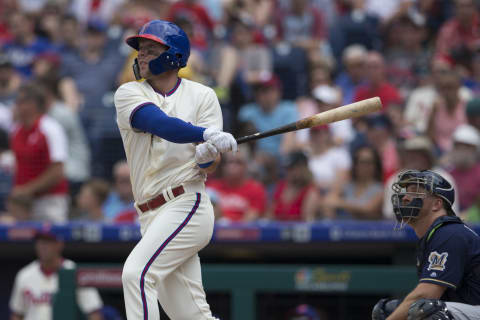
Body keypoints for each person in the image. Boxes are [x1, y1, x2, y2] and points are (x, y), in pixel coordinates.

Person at [114, 20, 237, 320]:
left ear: (175, 56)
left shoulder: (203, 96)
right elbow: (158, 123)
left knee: (136, 275)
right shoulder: (129, 93)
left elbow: (209, 164)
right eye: (140, 50)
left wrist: (208, 155)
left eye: (150, 49)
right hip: (149, 213)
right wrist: (203, 135)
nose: (141, 56)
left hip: (187, 204)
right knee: (192, 316)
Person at [372, 170, 480, 320]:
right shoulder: (434, 235)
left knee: (428, 311)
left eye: (415, 192)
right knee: (387, 310)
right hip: (469, 309)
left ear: (437, 204)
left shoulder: (450, 233)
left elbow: (427, 294)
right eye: (406, 192)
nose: (405, 198)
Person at [9, 228, 103, 320]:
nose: (43, 246)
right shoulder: (25, 275)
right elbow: (17, 313)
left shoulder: (75, 272)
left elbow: (93, 312)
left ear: (59, 244)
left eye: (48, 242)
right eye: (40, 242)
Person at [10, 83, 69, 222]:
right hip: (23, 204)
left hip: (50, 201)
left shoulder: (51, 128)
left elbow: (58, 171)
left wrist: (27, 189)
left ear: (32, 104)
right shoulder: (16, 130)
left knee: (50, 240)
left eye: (20, 102)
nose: (16, 106)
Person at [207, 145, 267, 223]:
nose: (232, 166)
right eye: (230, 162)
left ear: (246, 166)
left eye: (238, 162)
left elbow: (251, 217)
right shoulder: (212, 187)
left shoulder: (256, 189)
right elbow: (210, 215)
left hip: (245, 232)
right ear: (223, 166)